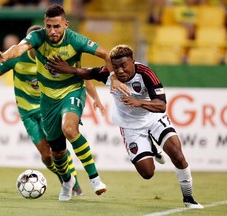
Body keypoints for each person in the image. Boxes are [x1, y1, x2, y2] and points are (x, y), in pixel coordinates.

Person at [46, 44, 204, 209]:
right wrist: (68, 69)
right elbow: (87, 72)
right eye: (116, 67)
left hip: (153, 119)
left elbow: (161, 105)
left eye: (124, 65)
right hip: (130, 127)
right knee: (147, 173)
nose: (120, 70)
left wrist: (139, 102)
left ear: (133, 62)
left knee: (178, 156)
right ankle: (151, 146)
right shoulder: (108, 74)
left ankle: (189, 198)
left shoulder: (146, 73)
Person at [0, 4, 113, 201]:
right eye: (49, 26)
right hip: (47, 99)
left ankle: (95, 178)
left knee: (70, 129)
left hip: (72, 91)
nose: (52, 31)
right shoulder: (38, 38)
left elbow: (106, 55)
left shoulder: (76, 40)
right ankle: (67, 182)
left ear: (65, 24)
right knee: (57, 152)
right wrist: (4, 56)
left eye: (56, 26)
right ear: (44, 25)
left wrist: (112, 79)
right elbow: (19, 48)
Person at [0, 25, 103, 196]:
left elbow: (80, 74)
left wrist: (95, 98)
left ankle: (74, 183)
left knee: (58, 147)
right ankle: (65, 177)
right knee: (46, 155)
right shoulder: (17, 58)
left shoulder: (52, 57)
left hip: (49, 106)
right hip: (27, 111)